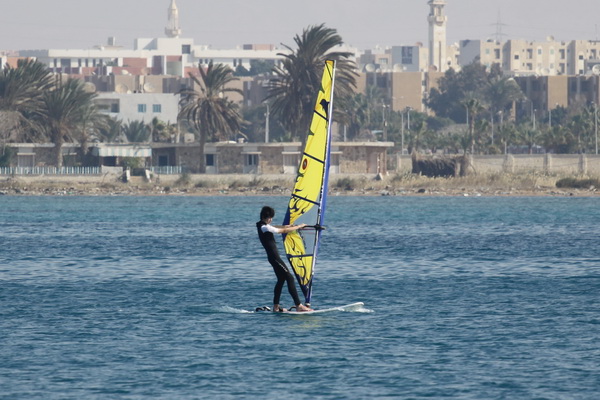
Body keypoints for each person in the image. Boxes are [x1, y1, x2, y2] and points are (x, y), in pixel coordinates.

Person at [256, 206, 312, 312]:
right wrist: (299, 226)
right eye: (269, 218)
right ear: (264, 217)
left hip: (273, 258)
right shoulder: (265, 228)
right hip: (275, 258)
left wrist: (288, 226)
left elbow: (276, 227)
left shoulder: (262, 225)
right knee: (289, 278)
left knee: (281, 279)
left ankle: (276, 307)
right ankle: (299, 306)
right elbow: (283, 230)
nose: (271, 220)